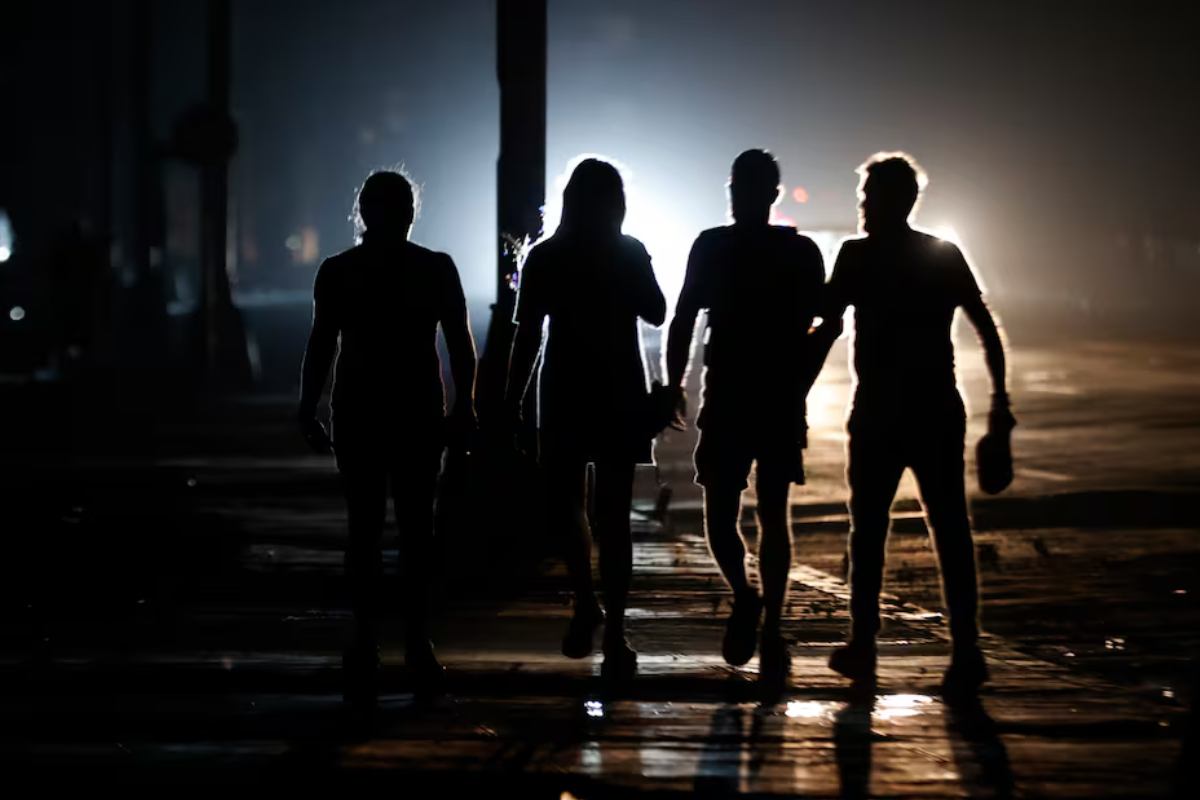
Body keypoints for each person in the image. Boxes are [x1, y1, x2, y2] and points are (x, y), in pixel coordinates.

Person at [811, 152, 1014, 693]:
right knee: (949, 528)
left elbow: (824, 321)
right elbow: (986, 328)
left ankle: (863, 644)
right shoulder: (940, 254)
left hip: (879, 409)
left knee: (868, 529)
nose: (862, 205)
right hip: (935, 407)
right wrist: (999, 403)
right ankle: (966, 650)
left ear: (889, 200)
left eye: (868, 195)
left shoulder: (856, 256)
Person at [298, 169, 477, 704]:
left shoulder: (339, 272)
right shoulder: (435, 269)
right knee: (418, 529)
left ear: (363, 214)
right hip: (418, 408)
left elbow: (321, 344)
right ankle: (418, 641)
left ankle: (365, 639)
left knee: (364, 527)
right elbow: (460, 344)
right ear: (410, 214)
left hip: (359, 408)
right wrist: (465, 404)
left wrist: (308, 406)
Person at [664, 149, 826, 688]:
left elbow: (685, 317)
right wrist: (804, 372)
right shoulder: (798, 251)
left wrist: (674, 383)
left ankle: (751, 601)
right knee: (767, 514)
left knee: (727, 513)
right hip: (773, 396)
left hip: (736, 394)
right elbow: (826, 320)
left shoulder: (714, 247)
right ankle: (767, 618)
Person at [506, 157, 667, 681]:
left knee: (567, 508)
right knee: (614, 517)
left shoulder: (545, 256)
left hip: (564, 390)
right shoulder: (629, 251)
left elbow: (527, 335)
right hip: (620, 390)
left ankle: (584, 601)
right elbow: (658, 310)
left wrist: (511, 401)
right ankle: (616, 632)